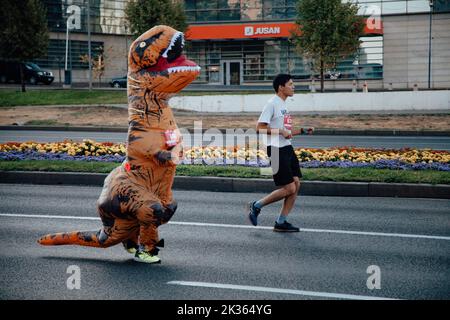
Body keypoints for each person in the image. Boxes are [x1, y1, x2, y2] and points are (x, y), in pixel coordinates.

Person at [248, 73, 303, 232]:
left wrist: (302, 130)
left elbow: (286, 131)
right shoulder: (272, 104)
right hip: (276, 150)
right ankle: (256, 206)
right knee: (289, 188)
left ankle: (281, 221)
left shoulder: (284, 105)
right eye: (290, 84)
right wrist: (280, 131)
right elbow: (260, 128)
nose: (293, 87)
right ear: (281, 87)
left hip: (287, 147)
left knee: (296, 184)